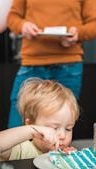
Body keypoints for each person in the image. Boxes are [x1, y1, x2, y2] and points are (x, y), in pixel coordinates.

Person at [7, 0, 96, 128]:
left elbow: (94, 23)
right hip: (32, 63)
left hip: (68, 65)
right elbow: (12, 17)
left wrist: (78, 34)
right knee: (16, 128)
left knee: (60, 133)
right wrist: (23, 26)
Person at [0, 78, 79, 161]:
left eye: (68, 129)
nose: (63, 136)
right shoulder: (23, 150)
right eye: (54, 128)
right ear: (30, 124)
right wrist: (32, 131)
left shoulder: (62, 153)